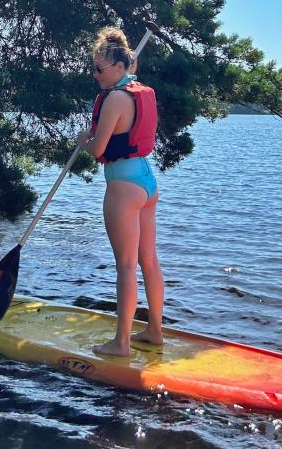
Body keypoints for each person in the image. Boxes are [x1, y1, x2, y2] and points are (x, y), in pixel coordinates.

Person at [77, 27, 164, 357]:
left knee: (126, 265)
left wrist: (81, 141)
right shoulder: (135, 89)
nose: (95, 74)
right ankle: (154, 331)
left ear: (118, 65)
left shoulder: (114, 98)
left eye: (100, 68)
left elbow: (99, 149)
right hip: (146, 182)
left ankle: (121, 343)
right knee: (148, 261)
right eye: (93, 68)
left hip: (123, 185)